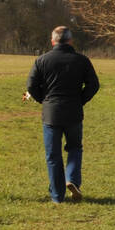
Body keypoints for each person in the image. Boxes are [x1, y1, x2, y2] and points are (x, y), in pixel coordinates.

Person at [24, 26, 99, 203]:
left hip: (51, 114)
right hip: (73, 111)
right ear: (70, 41)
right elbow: (94, 85)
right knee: (74, 148)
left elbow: (31, 86)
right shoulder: (82, 60)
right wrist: (81, 99)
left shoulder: (41, 60)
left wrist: (44, 100)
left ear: (53, 41)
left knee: (53, 155)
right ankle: (72, 179)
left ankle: (57, 196)